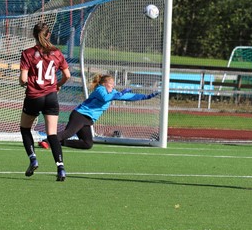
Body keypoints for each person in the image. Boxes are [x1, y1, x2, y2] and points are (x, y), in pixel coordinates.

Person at [38, 74, 159, 150]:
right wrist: (119, 94)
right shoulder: (100, 90)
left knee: (87, 144)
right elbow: (106, 98)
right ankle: (46, 141)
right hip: (80, 115)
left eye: (113, 84)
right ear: (104, 84)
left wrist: (145, 96)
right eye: (110, 84)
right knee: (69, 132)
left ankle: (61, 143)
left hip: (87, 120)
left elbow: (129, 96)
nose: (112, 86)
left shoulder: (112, 92)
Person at [19, 22, 71, 181]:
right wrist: (57, 86)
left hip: (34, 97)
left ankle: (33, 158)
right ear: (49, 35)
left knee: (25, 128)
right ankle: (61, 168)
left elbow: (23, 79)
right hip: (51, 97)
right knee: (52, 134)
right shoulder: (57, 53)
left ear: (34, 35)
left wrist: (24, 83)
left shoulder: (28, 53)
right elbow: (67, 76)